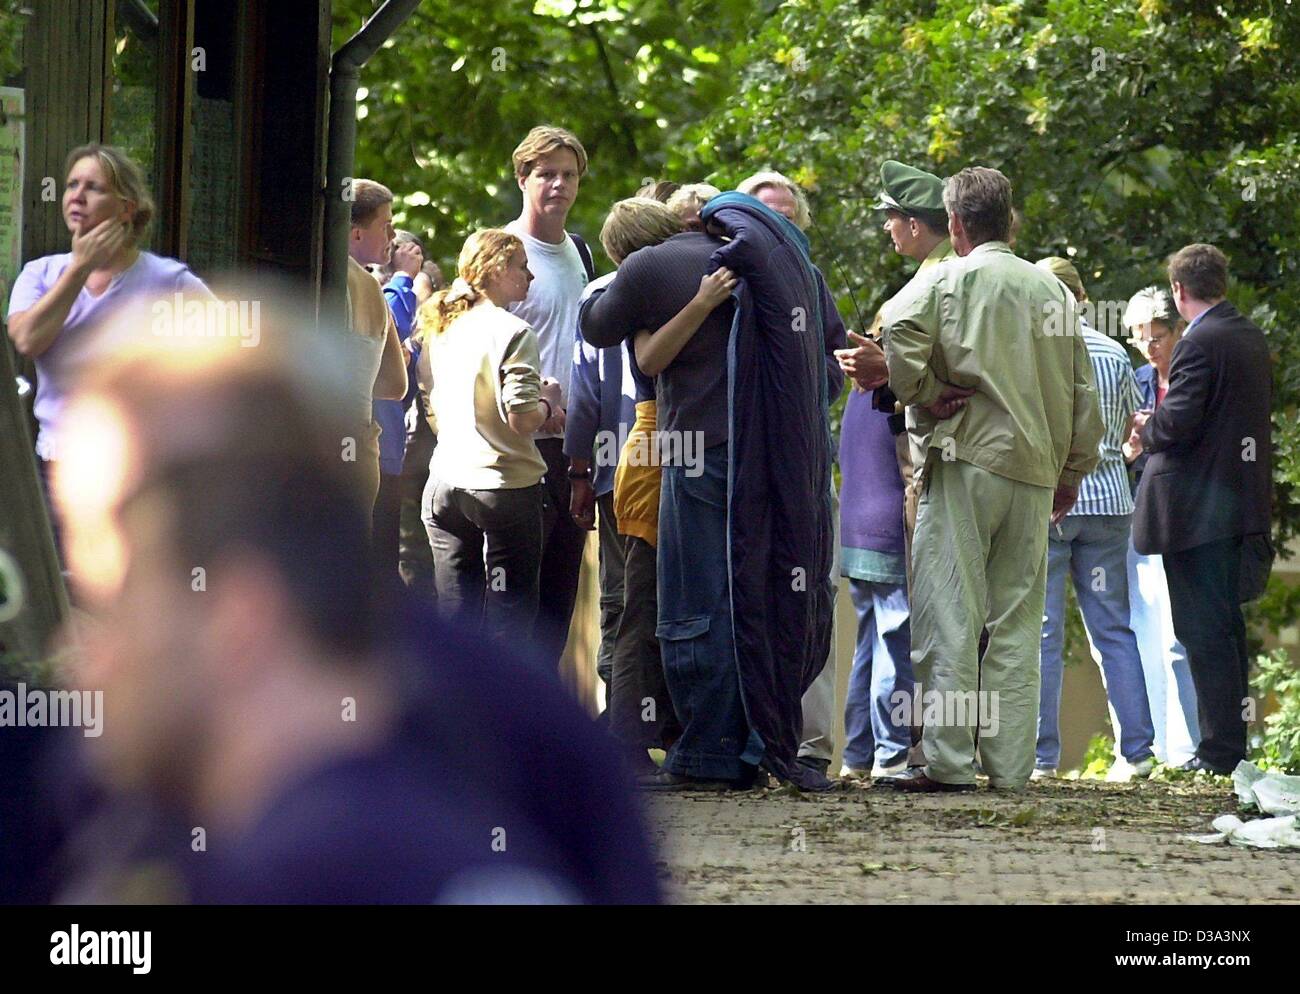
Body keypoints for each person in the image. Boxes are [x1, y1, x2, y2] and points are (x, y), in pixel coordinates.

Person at [46, 296, 660, 903]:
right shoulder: (528, 714)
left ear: (241, 609)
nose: (85, 656)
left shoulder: (523, 749)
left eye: (112, 600)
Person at [883, 166, 1103, 792]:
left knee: (952, 613)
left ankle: (950, 763)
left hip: (966, 462)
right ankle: (1010, 768)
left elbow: (898, 329)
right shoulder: (1052, 291)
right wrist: (1073, 470)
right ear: (1007, 220)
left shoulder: (947, 278)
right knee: (1017, 621)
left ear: (953, 224)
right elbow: (1083, 391)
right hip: (1035, 471)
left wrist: (923, 392)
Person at [6, 143, 211, 553]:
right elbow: (27, 339)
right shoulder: (41, 273)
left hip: (143, 475)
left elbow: (229, 360)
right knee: (62, 598)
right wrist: (80, 267)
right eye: (71, 186)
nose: (76, 197)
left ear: (126, 208)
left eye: (93, 188)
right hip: (57, 472)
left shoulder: (169, 281)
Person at [1132, 244, 1273, 775]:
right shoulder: (1248, 336)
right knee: (1226, 628)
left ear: (1179, 291)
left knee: (1201, 632)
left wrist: (1149, 428)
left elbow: (1180, 422)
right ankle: (1230, 748)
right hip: (1238, 505)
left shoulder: (1198, 343)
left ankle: (1217, 753)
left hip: (1195, 512)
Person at [835, 160, 950, 782]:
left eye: (890, 219)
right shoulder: (925, 298)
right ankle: (887, 755)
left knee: (873, 631)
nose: (885, 229)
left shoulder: (905, 305)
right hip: (889, 499)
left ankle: (857, 753)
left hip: (860, 501)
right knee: (897, 631)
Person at [735, 169, 850, 780]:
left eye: (786, 214)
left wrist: (801, 392)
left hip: (804, 465)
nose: (776, 223)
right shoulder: (723, 277)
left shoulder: (812, 281)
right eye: (764, 213)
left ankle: (808, 741)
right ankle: (745, 738)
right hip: (739, 467)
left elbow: (836, 363)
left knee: (812, 595)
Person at [1032, 257, 1156, 782]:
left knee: (1043, 634)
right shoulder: (1113, 353)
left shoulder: (1035, 353)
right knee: (1113, 631)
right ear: (1083, 299)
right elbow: (1132, 429)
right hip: (1109, 506)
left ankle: (1041, 758)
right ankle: (1139, 752)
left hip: (1052, 505)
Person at [416, 230, 561, 643]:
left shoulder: (441, 323)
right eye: (522, 267)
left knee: (454, 616)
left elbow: (430, 397)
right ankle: (503, 708)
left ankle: (447, 706)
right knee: (509, 623)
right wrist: (549, 402)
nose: (530, 277)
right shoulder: (514, 331)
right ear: (497, 269)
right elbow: (521, 418)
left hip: (444, 483)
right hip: (504, 488)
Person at [504, 126, 594, 670]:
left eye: (568, 175)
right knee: (513, 602)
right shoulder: (503, 251)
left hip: (571, 450)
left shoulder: (581, 252)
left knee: (558, 604)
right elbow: (469, 344)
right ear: (523, 178)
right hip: (515, 449)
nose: (558, 185)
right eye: (546, 174)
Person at [1120, 287, 1199, 765]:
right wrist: (1131, 449)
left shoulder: (1193, 377)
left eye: (1159, 335)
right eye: (1141, 338)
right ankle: (1162, 747)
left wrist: (1154, 436)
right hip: (1138, 511)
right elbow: (1121, 446)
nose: (1151, 346)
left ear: (1178, 330)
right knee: (1144, 630)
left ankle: (1191, 746)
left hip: (1187, 515)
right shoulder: (1137, 380)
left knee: (1179, 636)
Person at [345, 179, 410, 511]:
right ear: (356, 232)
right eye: (386, 226)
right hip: (359, 456)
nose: (393, 237)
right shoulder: (371, 289)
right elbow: (395, 385)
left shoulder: (311, 277)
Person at [373, 229, 425, 578]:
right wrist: (404, 278)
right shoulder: (372, 290)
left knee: (385, 567)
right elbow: (387, 326)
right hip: (370, 455)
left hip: (389, 454)